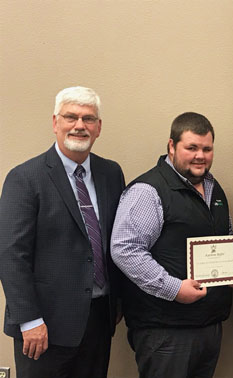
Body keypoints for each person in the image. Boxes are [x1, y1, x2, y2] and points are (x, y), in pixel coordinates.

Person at [0, 86, 125, 378]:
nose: (79, 125)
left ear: (99, 128)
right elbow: (10, 255)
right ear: (55, 123)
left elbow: (116, 241)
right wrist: (29, 320)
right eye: (71, 117)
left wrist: (117, 301)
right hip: (44, 326)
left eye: (88, 119)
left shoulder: (111, 174)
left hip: (98, 319)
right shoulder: (25, 178)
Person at [111, 112, 233, 378]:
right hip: (165, 331)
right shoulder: (148, 191)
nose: (200, 155)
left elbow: (223, 235)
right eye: (192, 147)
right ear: (172, 147)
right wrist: (174, 289)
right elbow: (125, 249)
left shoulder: (213, 187)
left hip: (208, 324)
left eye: (207, 149)